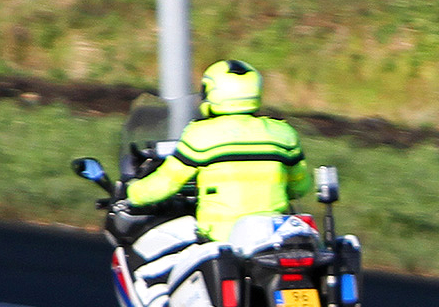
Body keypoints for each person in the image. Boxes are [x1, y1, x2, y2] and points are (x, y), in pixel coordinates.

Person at [125, 59, 315, 249]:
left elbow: (166, 182)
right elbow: (300, 187)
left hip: (220, 239)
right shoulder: (283, 133)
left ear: (213, 93)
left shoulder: (200, 134)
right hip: (273, 239)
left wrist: (133, 193)